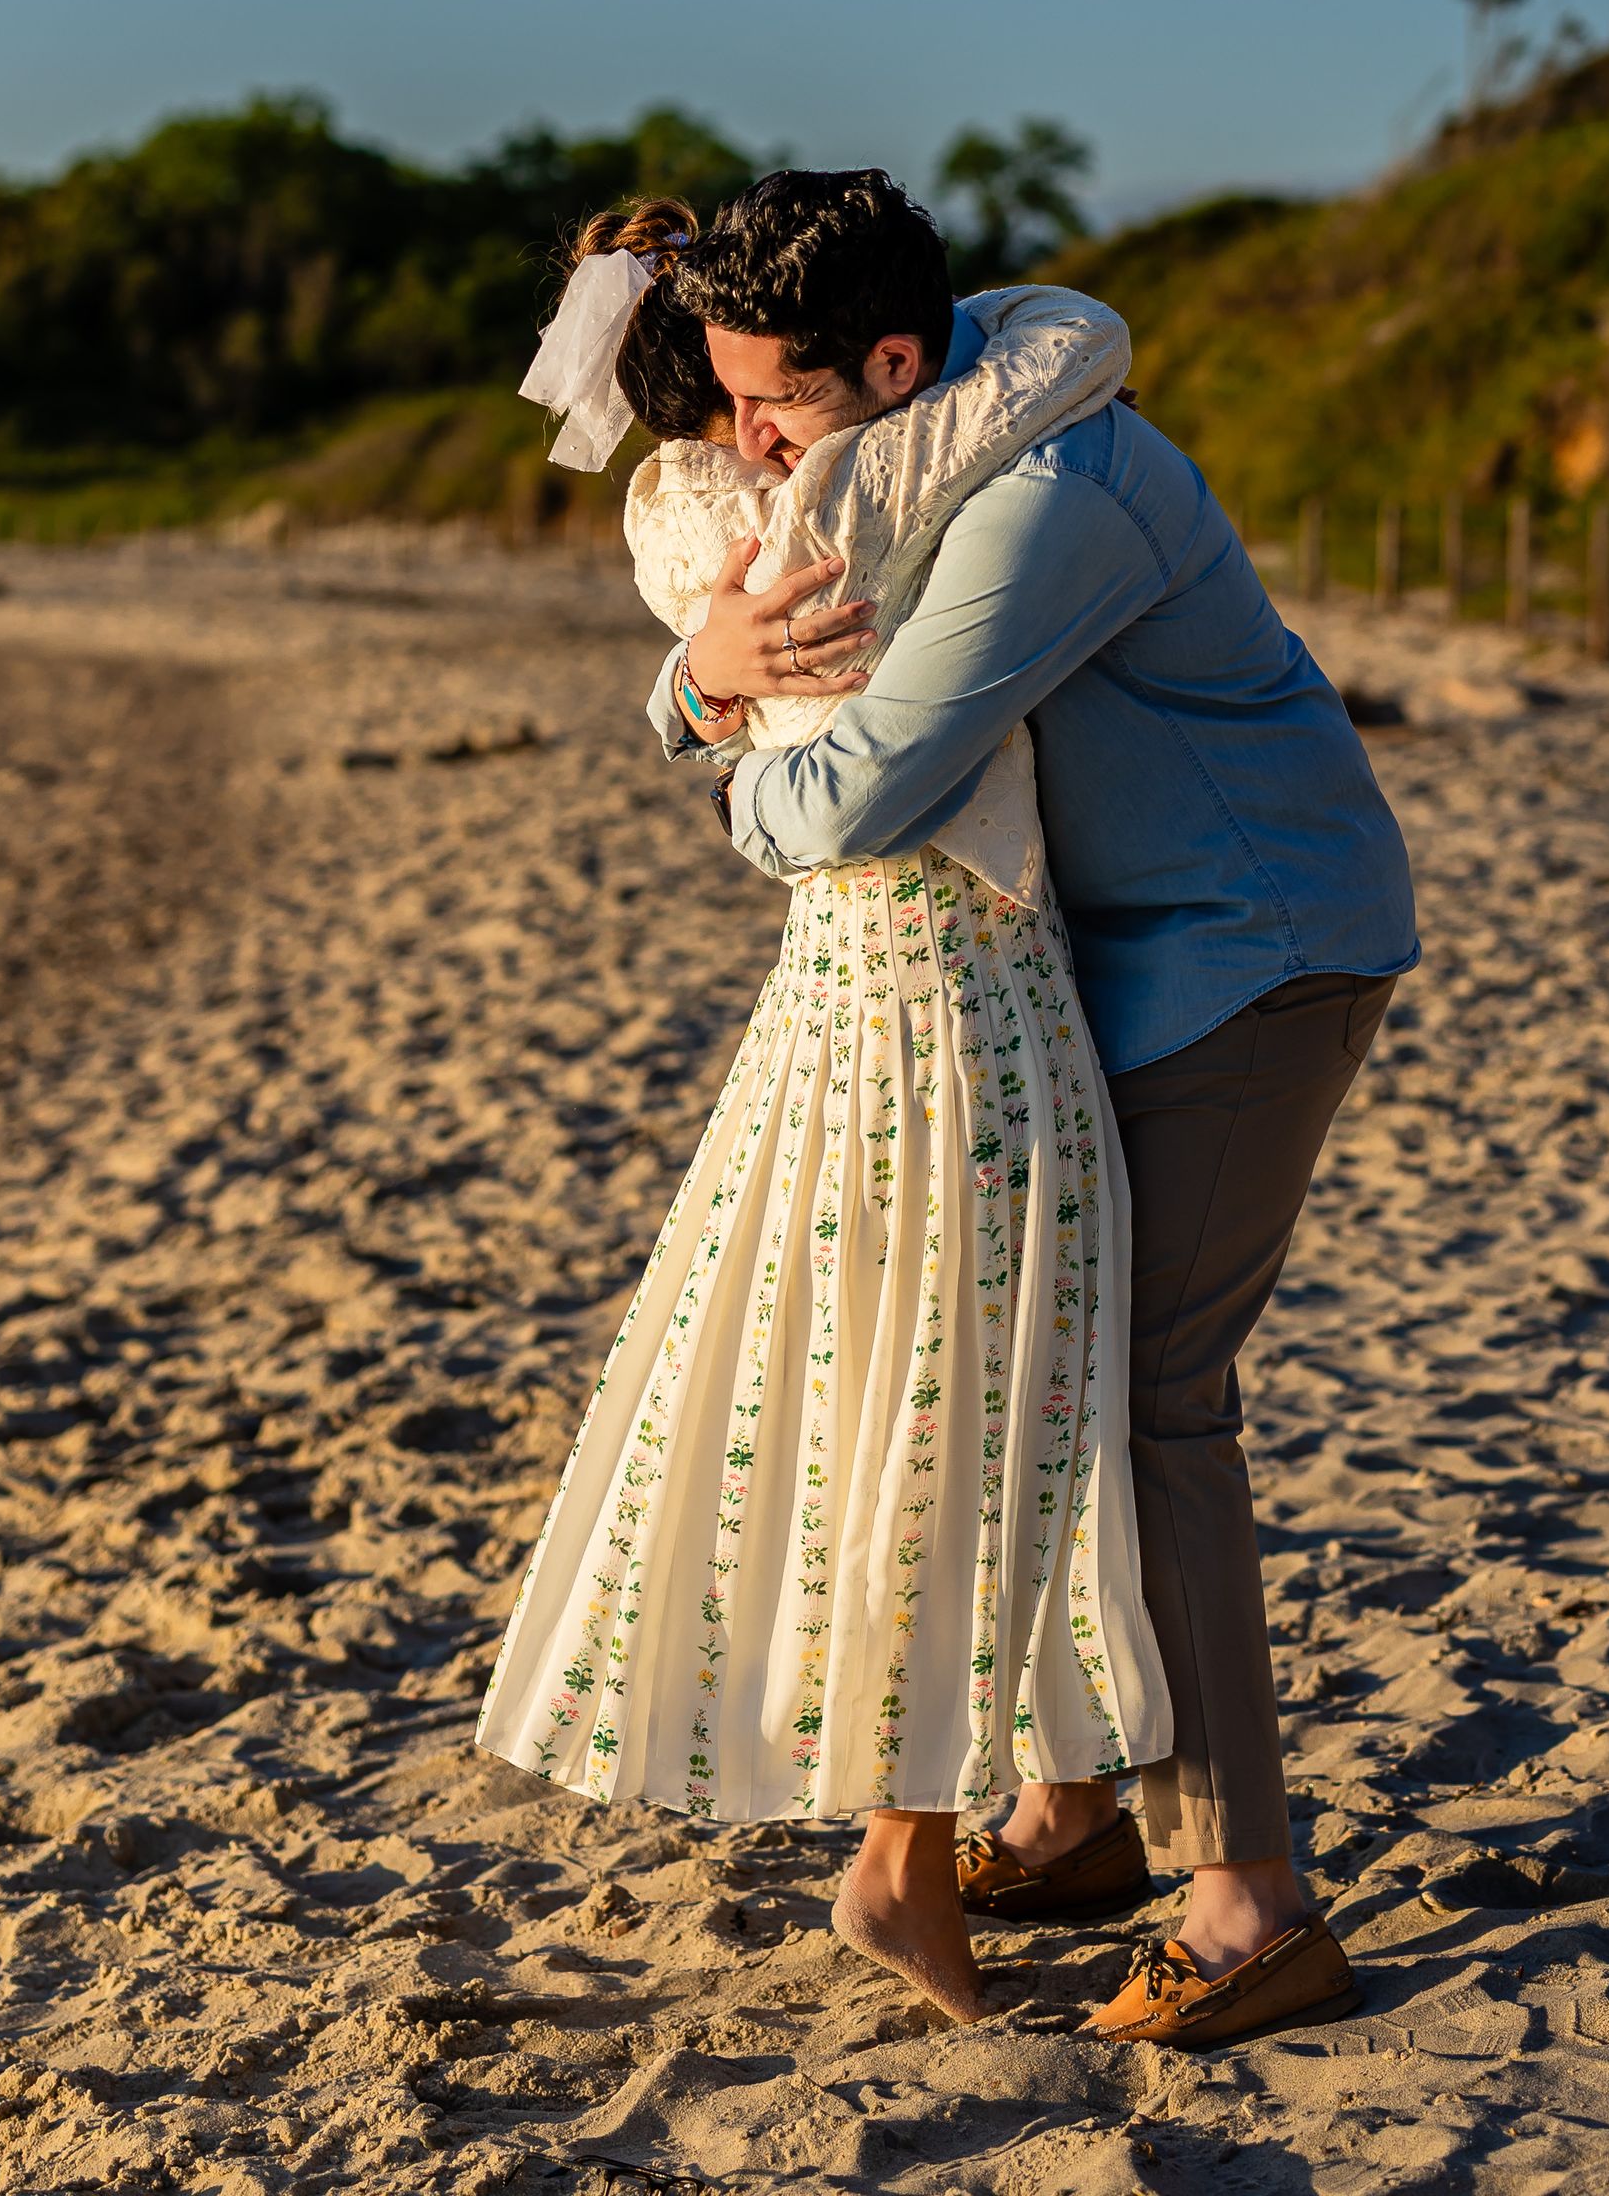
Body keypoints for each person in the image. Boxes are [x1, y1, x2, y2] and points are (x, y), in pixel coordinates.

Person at [645, 169, 1419, 2049]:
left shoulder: (1045, 499)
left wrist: (713, 746)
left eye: (778, 404)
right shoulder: (964, 401)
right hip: (1110, 952)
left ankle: (1248, 1902)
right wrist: (694, 674)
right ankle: (1072, 1822)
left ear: (896, 358)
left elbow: (849, 801)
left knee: (1148, 1406)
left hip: (1254, 944)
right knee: (1057, 1378)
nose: (750, 442)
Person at [478, 181, 1174, 2027]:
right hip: (961, 998)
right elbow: (1065, 351)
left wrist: (687, 693)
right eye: (744, 392)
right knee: (973, 1415)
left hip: (836, 1007)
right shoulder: (836, 500)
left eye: (774, 388)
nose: (768, 423)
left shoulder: (684, 513)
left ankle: (1066, 1801)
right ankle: (899, 1860)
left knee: (917, 1390)